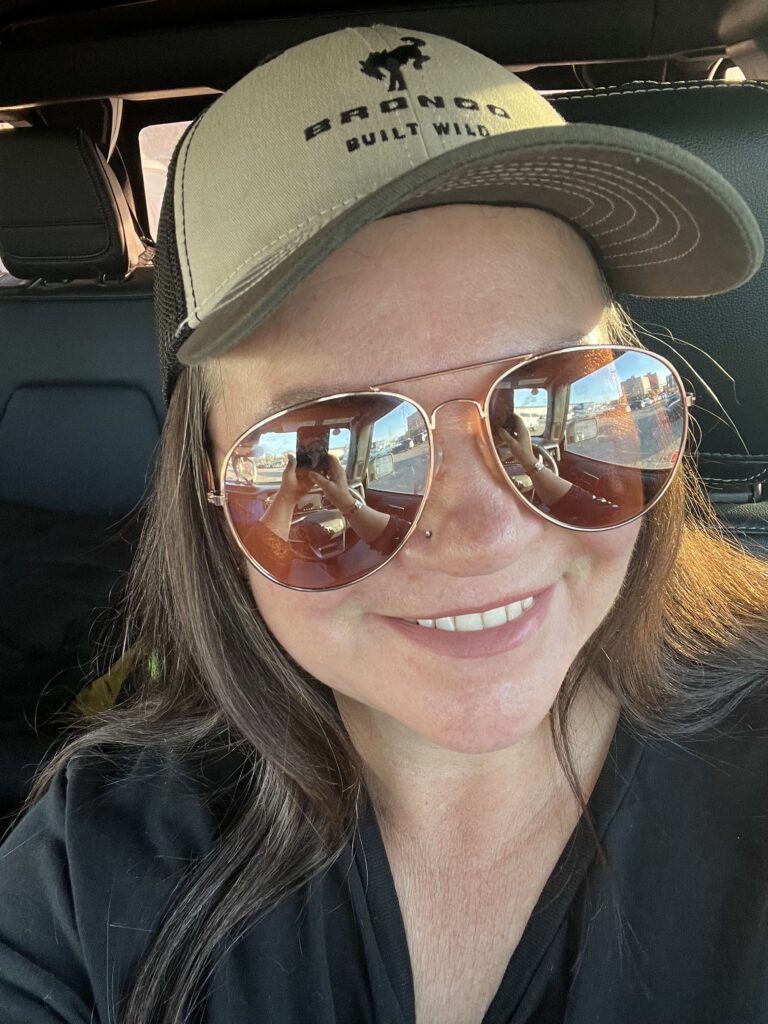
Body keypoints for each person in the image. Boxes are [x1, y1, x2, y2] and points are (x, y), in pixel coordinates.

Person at [1, 24, 768, 1024]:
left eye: (566, 406)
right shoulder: (89, 867)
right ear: (210, 489)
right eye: (327, 453)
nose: (490, 530)